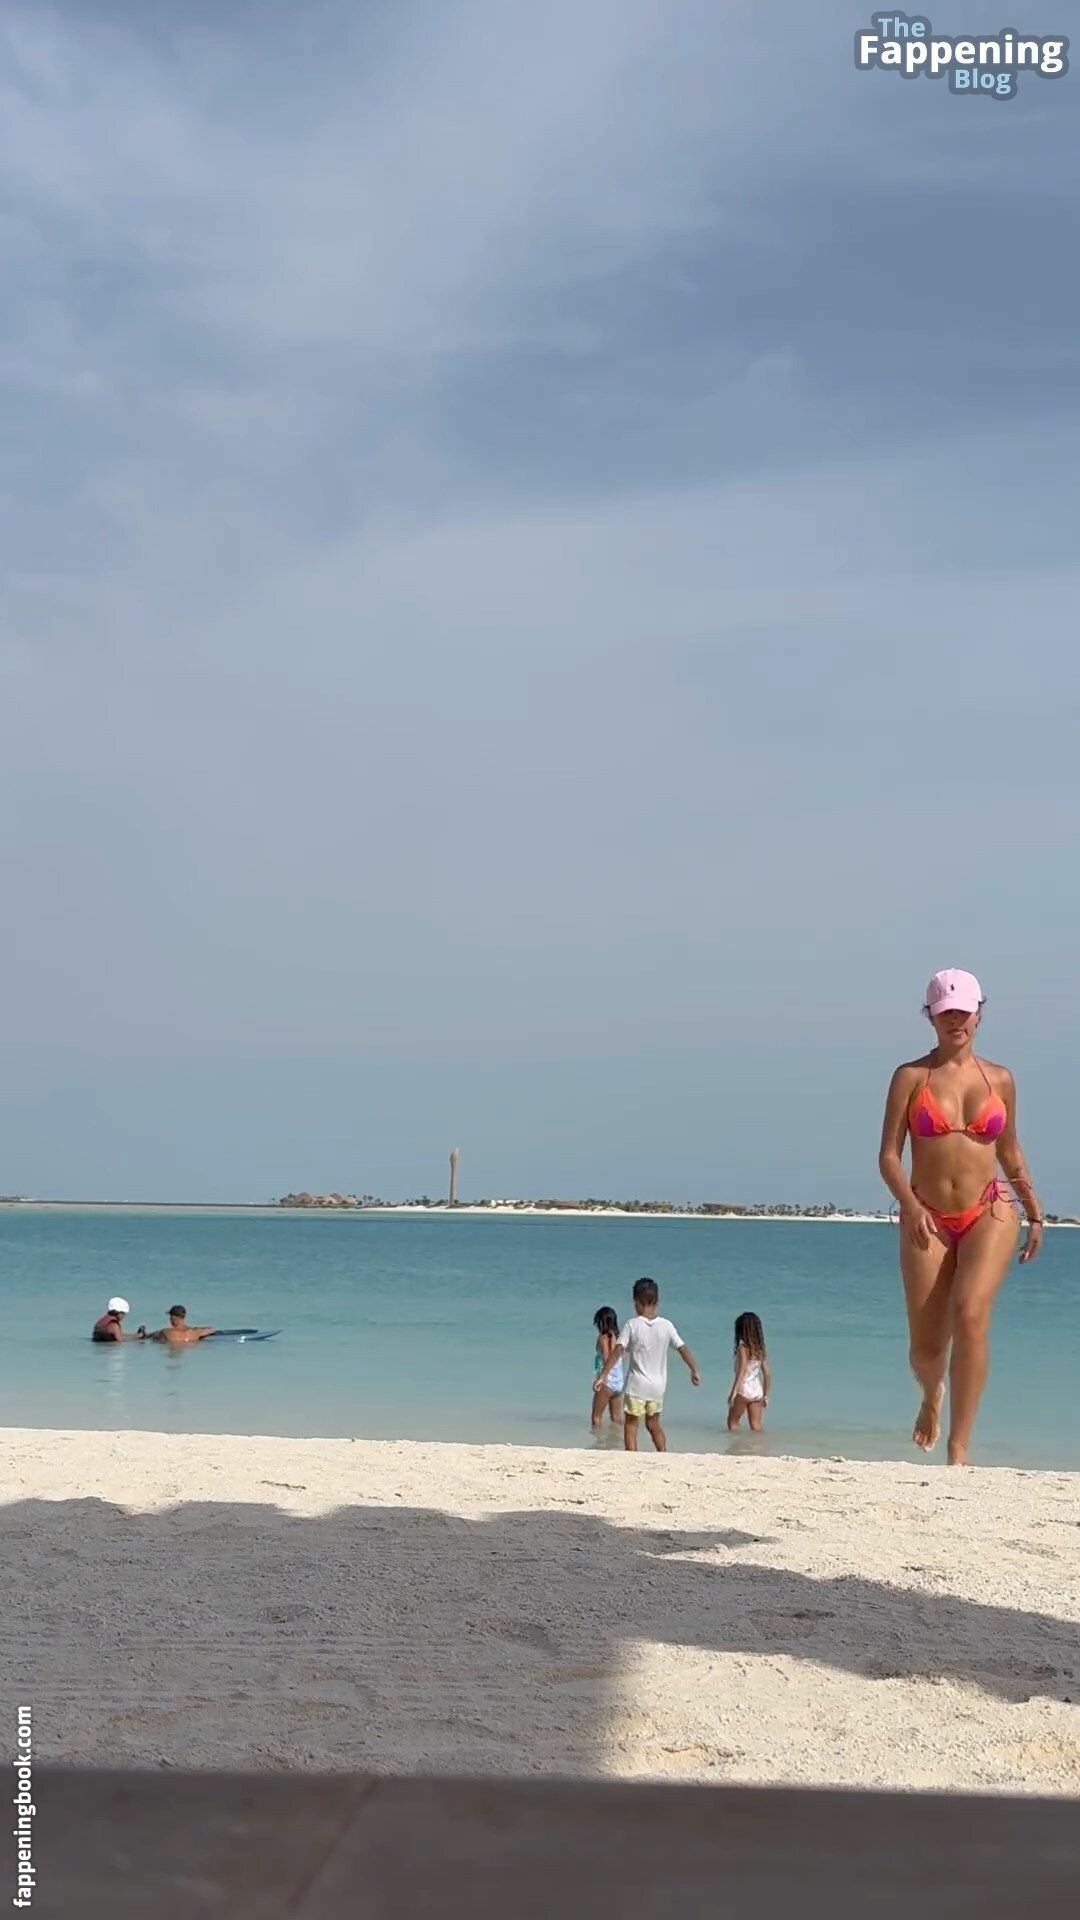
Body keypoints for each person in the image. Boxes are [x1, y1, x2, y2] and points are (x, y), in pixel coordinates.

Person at [878, 967, 1044, 1466]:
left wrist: (1035, 1212)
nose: (956, 1020)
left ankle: (959, 1448)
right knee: (926, 1351)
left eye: (964, 1011)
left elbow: (1009, 1152)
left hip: (990, 1210)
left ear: (979, 1015)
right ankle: (933, 1393)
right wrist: (910, 1206)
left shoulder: (1001, 1079)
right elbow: (889, 1156)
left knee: (971, 1313)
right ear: (930, 1016)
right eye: (946, 1012)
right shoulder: (911, 1077)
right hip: (926, 1215)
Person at [593, 1277, 700, 1453]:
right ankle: (663, 1453)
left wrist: (603, 1376)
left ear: (636, 1302)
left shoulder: (632, 1325)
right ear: (657, 1303)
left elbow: (618, 1351)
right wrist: (694, 1369)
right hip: (658, 1387)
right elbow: (682, 1348)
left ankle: (632, 1456)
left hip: (637, 1386)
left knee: (631, 1424)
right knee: (653, 1424)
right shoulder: (667, 1325)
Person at [727, 1312, 770, 1432]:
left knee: (733, 1422)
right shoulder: (759, 1348)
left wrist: (733, 1392)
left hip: (744, 1388)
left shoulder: (743, 1347)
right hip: (757, 1389)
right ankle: (758, 1444)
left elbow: (742, 1370)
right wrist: (765, 1395)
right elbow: (767, 1373)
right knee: (756, 1426)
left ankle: (736, 1444)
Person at [590, 1306, 626, 1430]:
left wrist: (600, 1378)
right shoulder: (619, 1337)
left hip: (607, 1382)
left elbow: (606, 1358)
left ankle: (598, 1440)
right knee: (616, 1417)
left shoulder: (603, 1337)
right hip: (619, 1382)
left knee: (596, 1417)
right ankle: (620, 1438)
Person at [149, 1305, 217, 1347]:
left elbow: (151, 1336)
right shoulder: (195, 1332)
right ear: (184, 1316)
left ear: (172, 1317)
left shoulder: (166, 1332)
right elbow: (211, 1329)